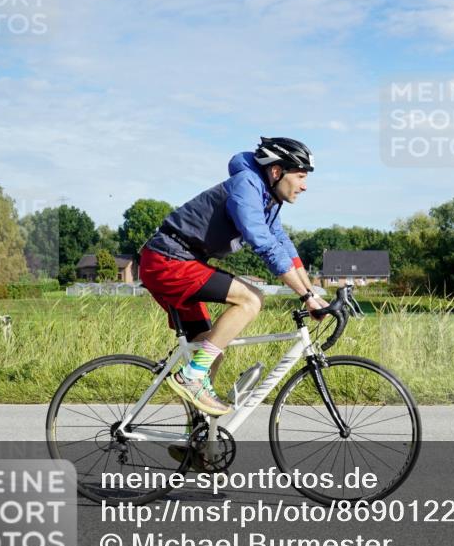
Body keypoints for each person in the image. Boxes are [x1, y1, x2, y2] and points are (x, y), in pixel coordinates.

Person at [138, 137, 327, 416]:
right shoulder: (246, 187)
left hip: (179, 261)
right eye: (300, 176)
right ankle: (191, 378)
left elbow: (283, 245)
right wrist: (306, 297)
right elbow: (264, 244)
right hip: (168, 261)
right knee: (251, 299)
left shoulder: (267, 198)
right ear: (277, 172)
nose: (304, 185)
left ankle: (197, 433)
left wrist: (312, 294)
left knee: (211, 347)